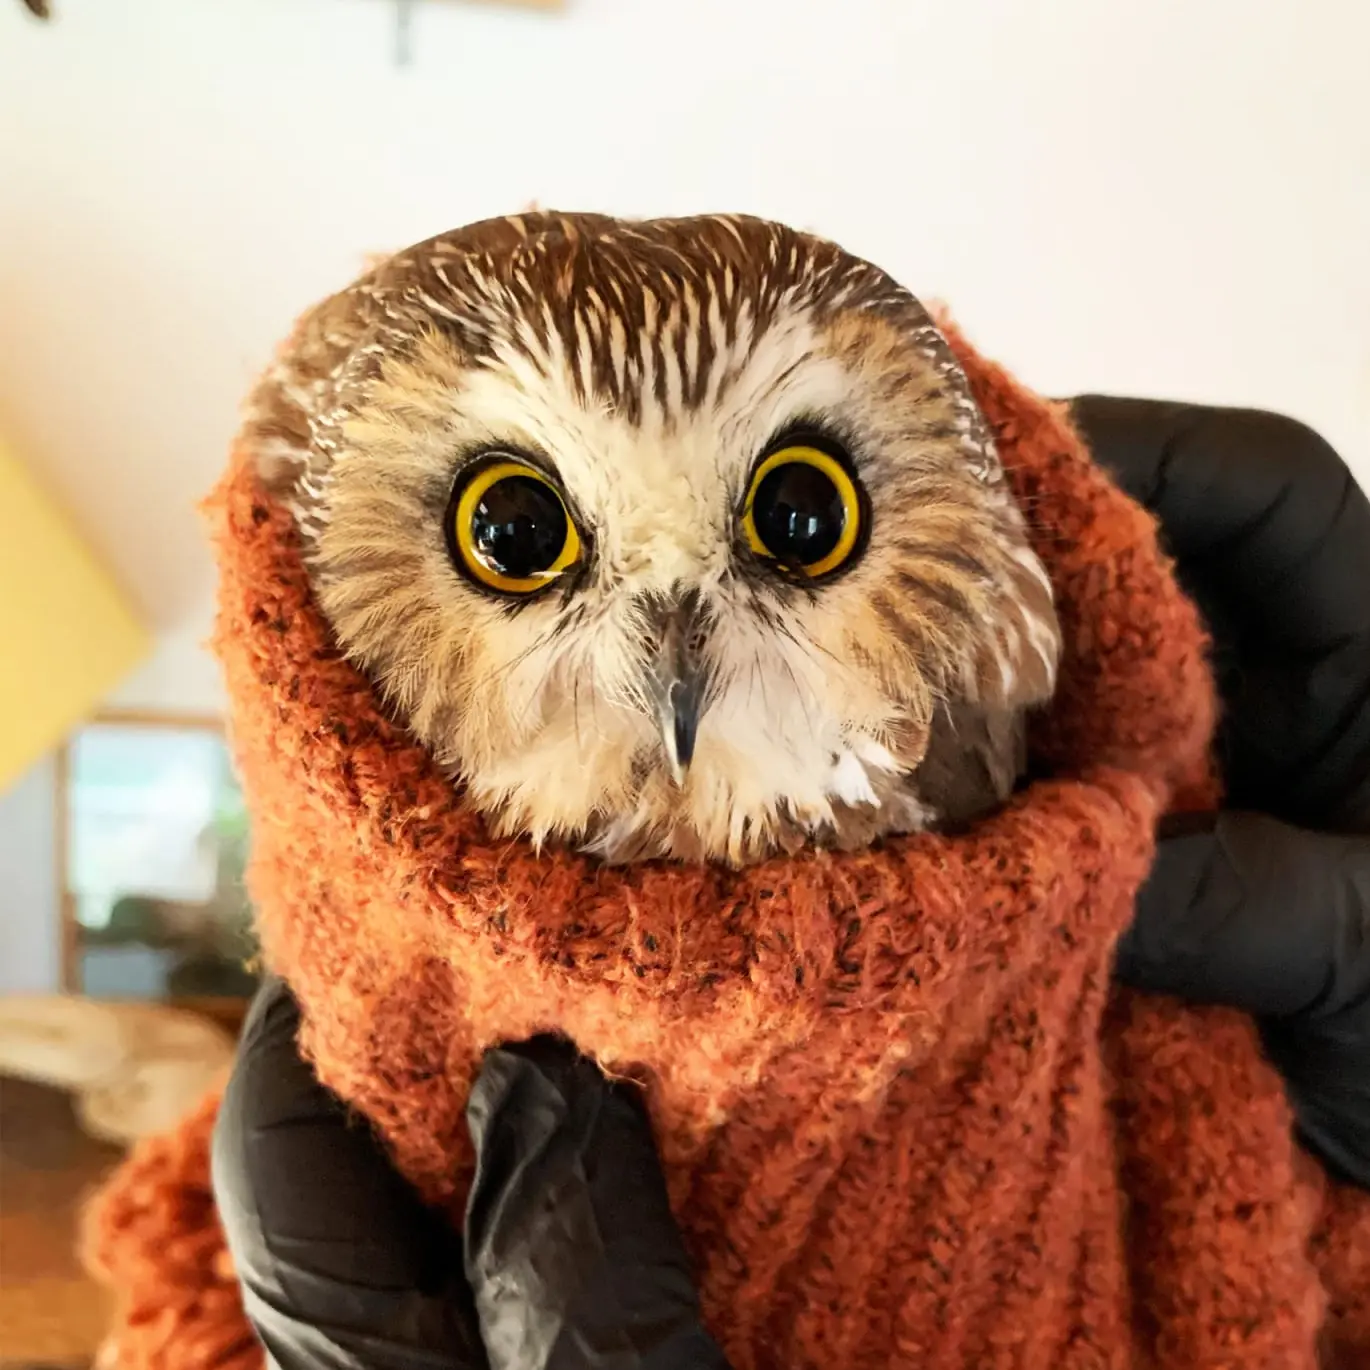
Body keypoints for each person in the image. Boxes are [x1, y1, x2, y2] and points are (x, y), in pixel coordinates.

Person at [211, 395, 1370, 1370]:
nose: (671, 652)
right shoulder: (309, 1186)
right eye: (511, 532)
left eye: (798, 515)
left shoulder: (1157, 972)